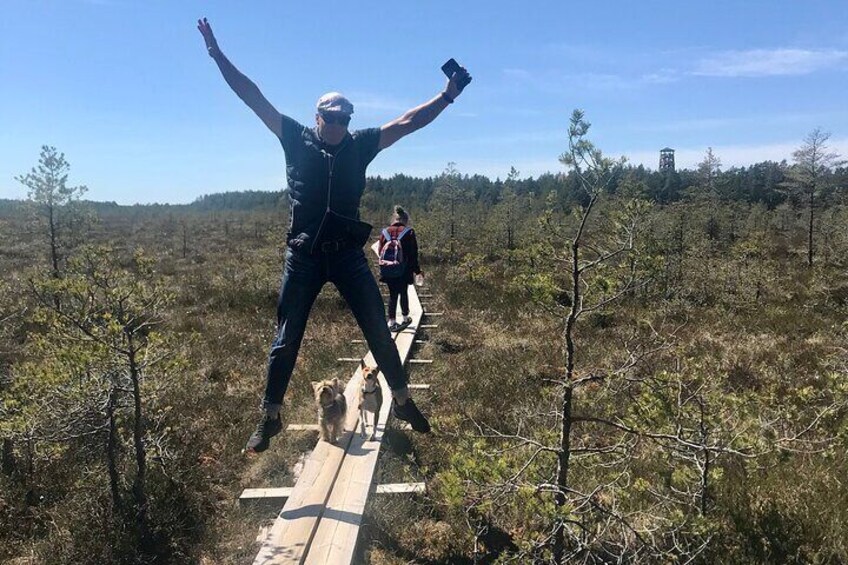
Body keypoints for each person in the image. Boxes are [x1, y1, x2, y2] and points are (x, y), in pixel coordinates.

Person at [197, 18, 471, 453]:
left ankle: (401, 401)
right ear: (318, 117)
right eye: (332, 119)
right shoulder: (295, 138)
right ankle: (269, 417)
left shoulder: (360, 145)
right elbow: (252, 96)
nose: (339, 125)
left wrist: (447, 95)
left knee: (379, 332)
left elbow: (407, 122)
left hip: (346, 255)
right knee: (286, 337)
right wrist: (216, 54)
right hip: (303, 256)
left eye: (345, 119)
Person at [377, 206, 422, 332]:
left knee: (392, 295)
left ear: (394, 218)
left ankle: (391, 321)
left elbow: (380, 251)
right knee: (403, 292)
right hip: (404, 269)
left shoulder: (385, 232)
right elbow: (413, 254)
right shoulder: (409, 232)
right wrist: (417, 271)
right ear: (405, 220)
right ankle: (405, 317)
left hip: (388, 270)